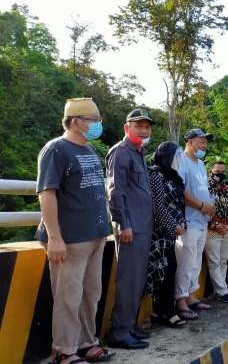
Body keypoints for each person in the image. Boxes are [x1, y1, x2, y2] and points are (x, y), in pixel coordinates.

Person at [37, 98, 114, 364]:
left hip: (95, 235)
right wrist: (55, 237)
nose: (97, 125)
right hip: (69, 238)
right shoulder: (56, 150)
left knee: (91, 294)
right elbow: (47, 194)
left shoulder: (89, 149)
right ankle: (65, 350)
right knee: (68, 296)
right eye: (94, 120)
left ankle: (86, 342)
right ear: (76, 121)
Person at [106, 108, 155, 349]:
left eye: (147, 127)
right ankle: (119, 332)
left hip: (142, 227)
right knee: (128, 280)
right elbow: (115, 191)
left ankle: (129, 325)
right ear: (127, 127)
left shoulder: (138, 152)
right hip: (130, 227)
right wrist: (123, 223)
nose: (144, 130)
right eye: (139, 126)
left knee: (136, 280)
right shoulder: (121, 152)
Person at [175, 128, 216, 320]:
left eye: (206, 142)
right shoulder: (181, 161)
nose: (204, 146)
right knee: (186, 260)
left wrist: (207, 208)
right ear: (190, 141)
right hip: (189, 220)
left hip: (202, 220)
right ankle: (180, 300)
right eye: (202, 141)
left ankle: (191, 296)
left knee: (196, 260)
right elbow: (180, 191)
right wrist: (201, 205)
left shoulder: (201, 164)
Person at [146, 141, 187, 329]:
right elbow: (158, 206)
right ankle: (166, 312)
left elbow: (178, 203)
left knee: (169, 269)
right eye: (176, 156)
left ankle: (161, 311)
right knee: (164, 271)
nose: (179, 159)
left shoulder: (173, 176)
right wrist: (173, 226)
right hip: (159, 233)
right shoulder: (156, 175)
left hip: (171, 233)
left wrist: (181, 223)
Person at [205, 161, 228, 303]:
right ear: (211, 172)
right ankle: (222, 292)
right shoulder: (205, 188)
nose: (220, 174)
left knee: (223, 261)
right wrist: (215, 225)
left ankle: (222, 288)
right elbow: (204, 211)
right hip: (211, 230)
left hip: (226, 230)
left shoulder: (227, 189)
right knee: (214, 261)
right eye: (217, 172)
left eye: (222, 171)